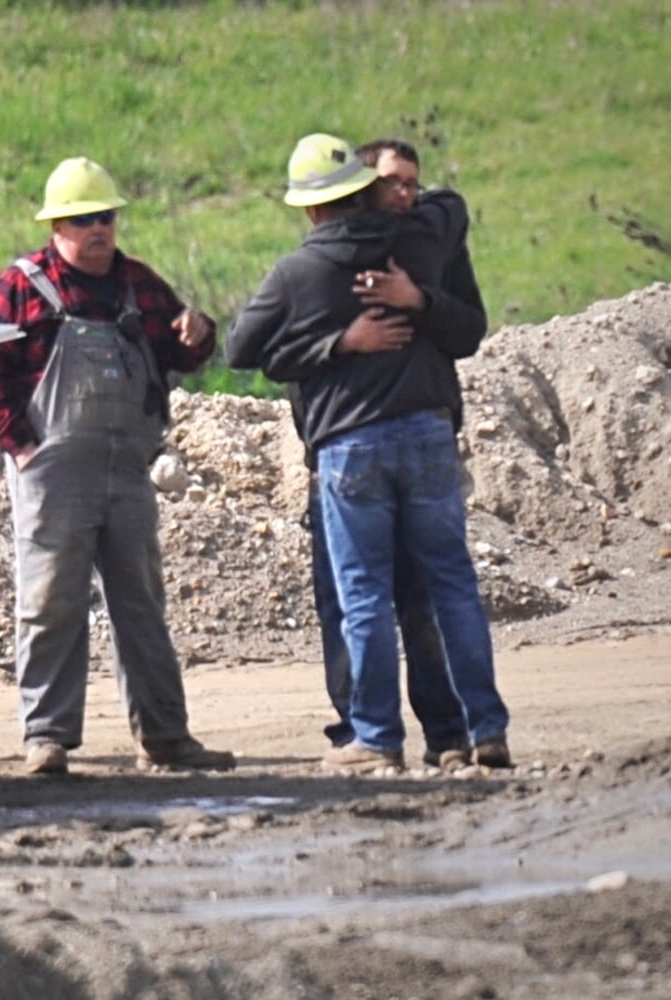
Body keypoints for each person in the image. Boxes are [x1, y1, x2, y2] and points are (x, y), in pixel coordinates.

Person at [227, 132, 511, 772]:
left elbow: (243, 350)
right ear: (365, 189)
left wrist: (335, 344)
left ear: (307, 207)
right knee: (451, 589)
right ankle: (482, 728)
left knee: (361, 597)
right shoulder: (416, 242)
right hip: (428, 433)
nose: (407, 194)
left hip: (350, 446)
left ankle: (377, 740)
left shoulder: (298, 271)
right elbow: (452, 206)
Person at [0, 156, 236, 775]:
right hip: (53, 474)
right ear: (56, 227)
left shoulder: (138, 284)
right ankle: (48, 737)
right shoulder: (21, 287)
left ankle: (166, 738)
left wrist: (199, 333)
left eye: (106, 217)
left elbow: (182, 351)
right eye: (83, 219)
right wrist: (24, 449)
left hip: (126, 470)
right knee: (50, 603)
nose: (98, 230)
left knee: (140, 603)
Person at [304, 138, 483, 769]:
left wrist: (421, 301)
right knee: (351, 600)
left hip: (401, 441)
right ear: (358, 188)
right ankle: (361, 728)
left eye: (413, 182)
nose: (404, 194)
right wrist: (341, 343)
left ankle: (445, 732)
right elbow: (273, 350)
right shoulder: (326, 259)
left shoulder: (426, 250)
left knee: (414, 599)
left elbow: (469, 330)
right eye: (391, 182)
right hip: (340, 445)